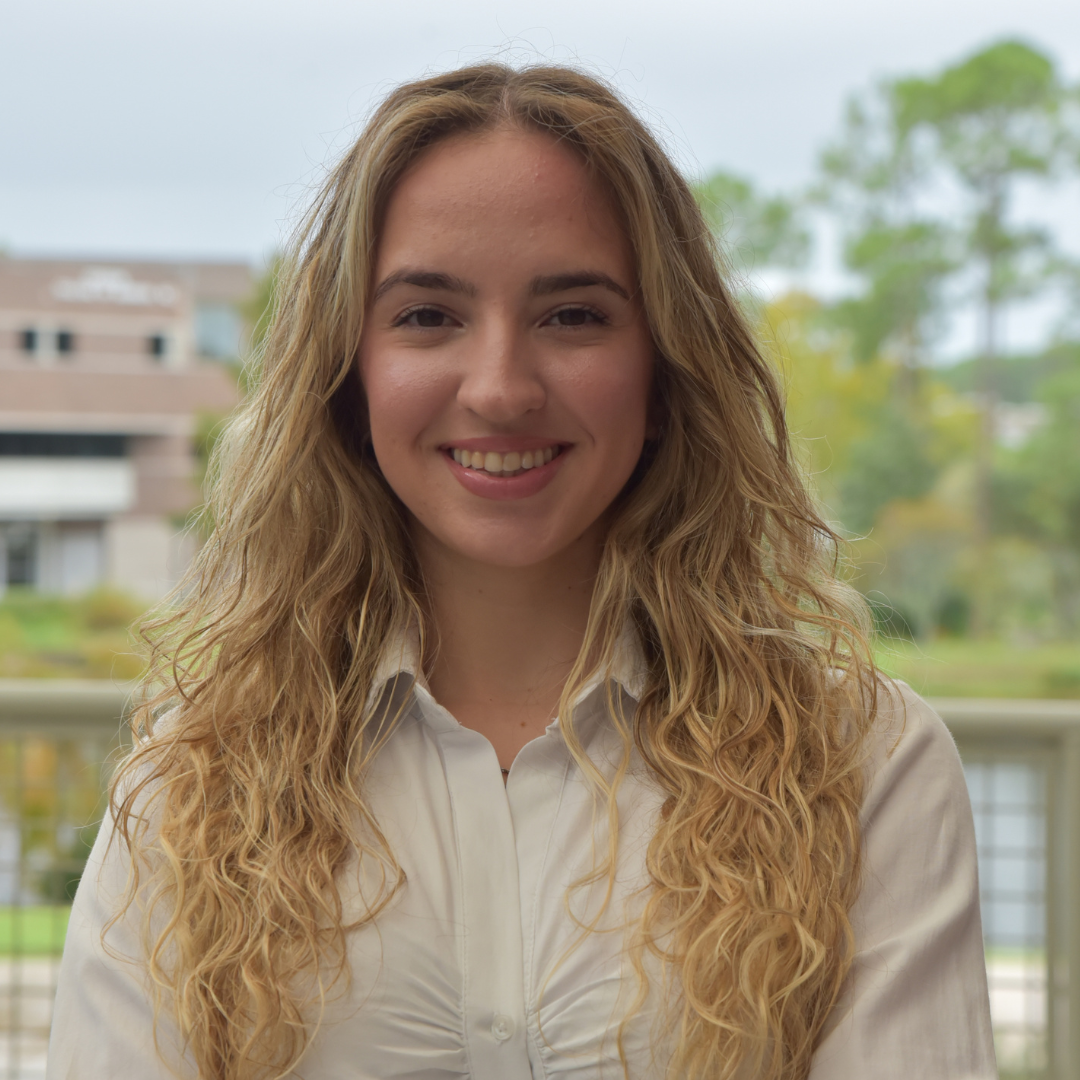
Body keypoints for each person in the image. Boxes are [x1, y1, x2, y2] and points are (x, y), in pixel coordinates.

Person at [47, 64, 996, 1080]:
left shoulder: (863, 769)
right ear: (348, 372)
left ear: (666, 362)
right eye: (427, 316)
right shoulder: (193, 787)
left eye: (573, 316)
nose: (500, 388)